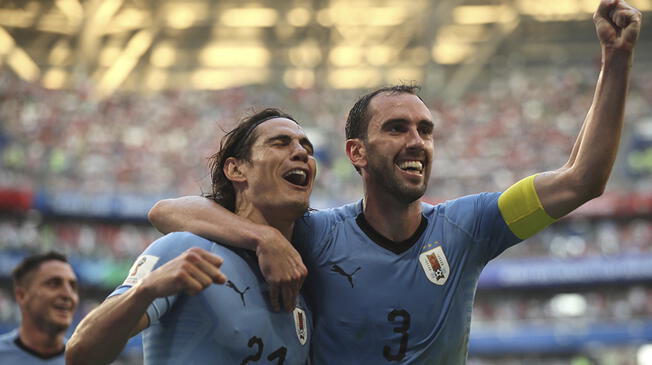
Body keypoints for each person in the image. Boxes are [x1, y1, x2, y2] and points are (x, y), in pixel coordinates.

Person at [147, 1, 642, 363]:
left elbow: (582, 180)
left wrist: (614, 62)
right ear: (356, 153)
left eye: (425, 131)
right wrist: (264, 236)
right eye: (397, 128)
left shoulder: (471, 227)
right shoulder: (316, 235)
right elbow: (168, 211)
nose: (417, 141)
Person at [65, 108, 316, 364]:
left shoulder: (299, 281)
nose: (301, 153)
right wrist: (146, 290)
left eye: (307, 148)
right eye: (280, 143)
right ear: (236, 170)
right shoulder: (188, 250)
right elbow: (81, 353)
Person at [0, 252, 79, 364]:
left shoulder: (84, 360)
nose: (68, 295)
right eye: (53, 284)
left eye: (73, 286)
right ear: (22, 295)